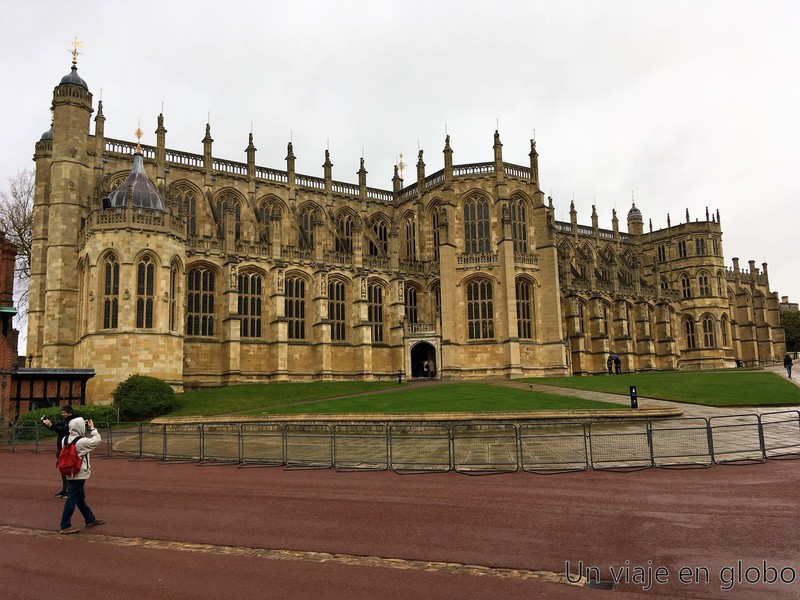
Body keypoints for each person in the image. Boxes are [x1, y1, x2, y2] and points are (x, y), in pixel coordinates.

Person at [59, 417, 105, 534]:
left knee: (79, 497)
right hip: (79, 472)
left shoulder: (64, 439)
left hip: (68, 471)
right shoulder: (81, 441)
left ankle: (90, 518)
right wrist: (92, 428)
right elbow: (97, 440)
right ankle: (65, 525)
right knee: (72, 498)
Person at [42, 405, 78, 498]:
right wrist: (47, 424)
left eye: (64, 412)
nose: (63, 414)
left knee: (68, 469)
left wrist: (52, 426)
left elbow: (63, 431)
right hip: (61, 448)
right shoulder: (65, 421)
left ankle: (70, 490)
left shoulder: (72, 422)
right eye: (62, 413)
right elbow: (56, 427)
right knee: (63, 469)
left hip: (67, 448)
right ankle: (65, 489)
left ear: (70, 412)